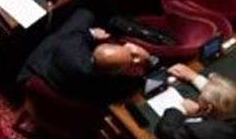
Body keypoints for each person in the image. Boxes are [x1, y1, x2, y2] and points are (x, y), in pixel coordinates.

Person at [16, 7, 155, 107]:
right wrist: (147, 58)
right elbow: (146, 82)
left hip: (39, 72)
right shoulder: (113, 88)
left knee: (86, 12)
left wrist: (91, 34)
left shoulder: (68, 49)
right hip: (69, 102)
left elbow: (77, 26)